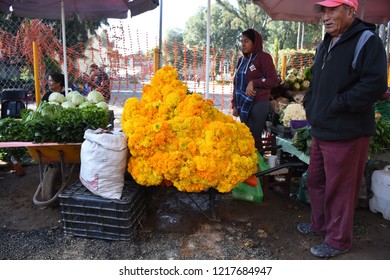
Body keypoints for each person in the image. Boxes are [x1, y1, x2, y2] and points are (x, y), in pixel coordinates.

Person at [299, 0, 387, 258]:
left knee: (340, 187)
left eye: (332, 10)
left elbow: (374, 83)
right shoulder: (325, 43)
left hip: (348, 130)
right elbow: (317, 79)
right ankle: (320, 225)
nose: (325, 16)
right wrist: (310, 103)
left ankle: (338, 240)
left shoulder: (367, 40)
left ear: (350, 11)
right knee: (316, 181)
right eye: (323, 11)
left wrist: (339, 104)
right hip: (322, 128)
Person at [231, 28, 278, 140]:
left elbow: (273, 80)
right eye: (242, 41)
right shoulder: (241, 60)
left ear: (255, 42)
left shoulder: (264, 58)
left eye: (246, 41)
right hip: (242, 103)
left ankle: (258, 158)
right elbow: (236, 84)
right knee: (245, 138)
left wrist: (254, 82)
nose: (243, 44)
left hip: (258, 103)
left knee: (254, 139)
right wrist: (234, 104)